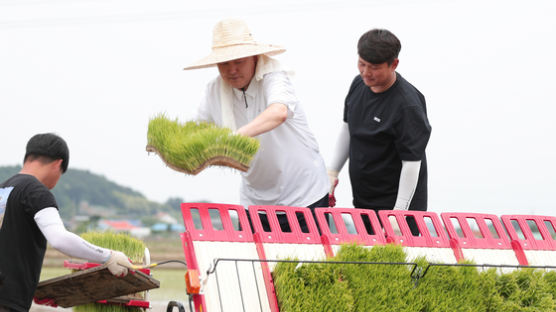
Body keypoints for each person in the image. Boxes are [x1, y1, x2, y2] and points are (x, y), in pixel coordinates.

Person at [184, 18, 329, 232]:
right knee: (256, 264)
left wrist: (234, 139)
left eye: (239, 61)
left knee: (305, 264)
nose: (232, 70)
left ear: (254, 57)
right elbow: (197, 133)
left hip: (304, 196)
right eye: (224, 63)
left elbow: (279, 111)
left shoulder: (274, 77)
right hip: (255, 201)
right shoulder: (214, 90)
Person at [0, 133, 134, 312]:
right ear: (57, 164)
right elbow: (60, 239)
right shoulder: (36, 192)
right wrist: (109, 256)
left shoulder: (4, 190)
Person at [328, 29, 431, 235]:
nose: (366, 72)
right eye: (362, 64)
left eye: (374, 67)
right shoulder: (359, 85)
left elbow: (412, 163)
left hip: (398, 205)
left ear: (393, 64)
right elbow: (348, 130)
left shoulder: (407, 105)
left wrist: (398, 213)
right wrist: (332, 173)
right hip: (365, 199)